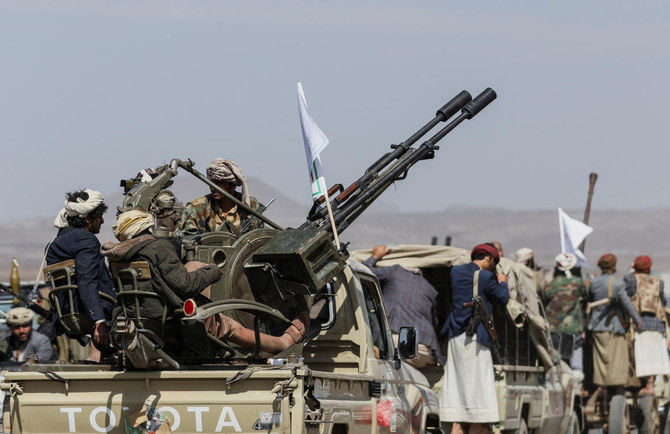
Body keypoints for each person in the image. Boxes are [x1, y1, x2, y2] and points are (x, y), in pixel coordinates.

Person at [102, 210, 306, 358]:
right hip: (174, 317)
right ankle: (281, 343)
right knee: (231, 328)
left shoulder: (116, 258)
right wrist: (212, 271)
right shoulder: (158, 247)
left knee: (192, 265)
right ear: (147, 228)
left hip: (141, 319)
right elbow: (186, 285)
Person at [440, 243, 509, 434]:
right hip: (476, 335)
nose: (492, 267)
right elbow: (502, 298)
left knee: (457, 380)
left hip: (455, 335)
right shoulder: (486, 276)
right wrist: (502, 281)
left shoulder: (455, 272)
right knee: (479, 382)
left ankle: (456, 423)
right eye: (493, 263)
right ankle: (478, 425)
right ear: (488, 258)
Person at [46, 189, 116, 362]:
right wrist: (99, 320)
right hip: (91, 309)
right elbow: (87, 281)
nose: (102, 221)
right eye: (98, 217)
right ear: (87, 219)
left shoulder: (57, 242)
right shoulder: (86, 240)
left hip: (67, 310)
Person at [362, 245, 443, 368]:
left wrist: (375, 256)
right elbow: (435, 322)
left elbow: (363, 271)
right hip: (427, 350)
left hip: (399, 343)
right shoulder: (430, 289)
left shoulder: (395, 272)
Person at [587, 253, 642, 390]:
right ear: (613, 266)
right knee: (617, 361)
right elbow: (627, 303)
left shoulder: (593, 282)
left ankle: (602, 390)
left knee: (600, 363)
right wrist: (637, 320)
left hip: (597, 326)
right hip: (613, 327)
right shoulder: (617, 284)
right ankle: (616, 391)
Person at [624, 255, 669, 395]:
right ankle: (650, 385)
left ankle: (633, 385)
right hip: (657, 326)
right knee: (653, 357)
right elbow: (662, 302)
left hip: (637, 325)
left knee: (636, 356)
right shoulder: (658, 282)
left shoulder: (631, 280)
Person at [180, 158, 261, 235]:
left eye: (219, 183)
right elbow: (185, 239)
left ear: (232, 185)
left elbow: (262, 238)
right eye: (212, 182)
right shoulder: (196, 208)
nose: (213, 187)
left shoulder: (251, 205)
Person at [539, 253, 588, 371]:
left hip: (553, 328)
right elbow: (585, 296)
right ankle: (576, 384)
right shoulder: (578, 283)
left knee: (557, 359)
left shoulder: (549, 284)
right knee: (574, 356)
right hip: (572, 327)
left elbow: (543, 298)